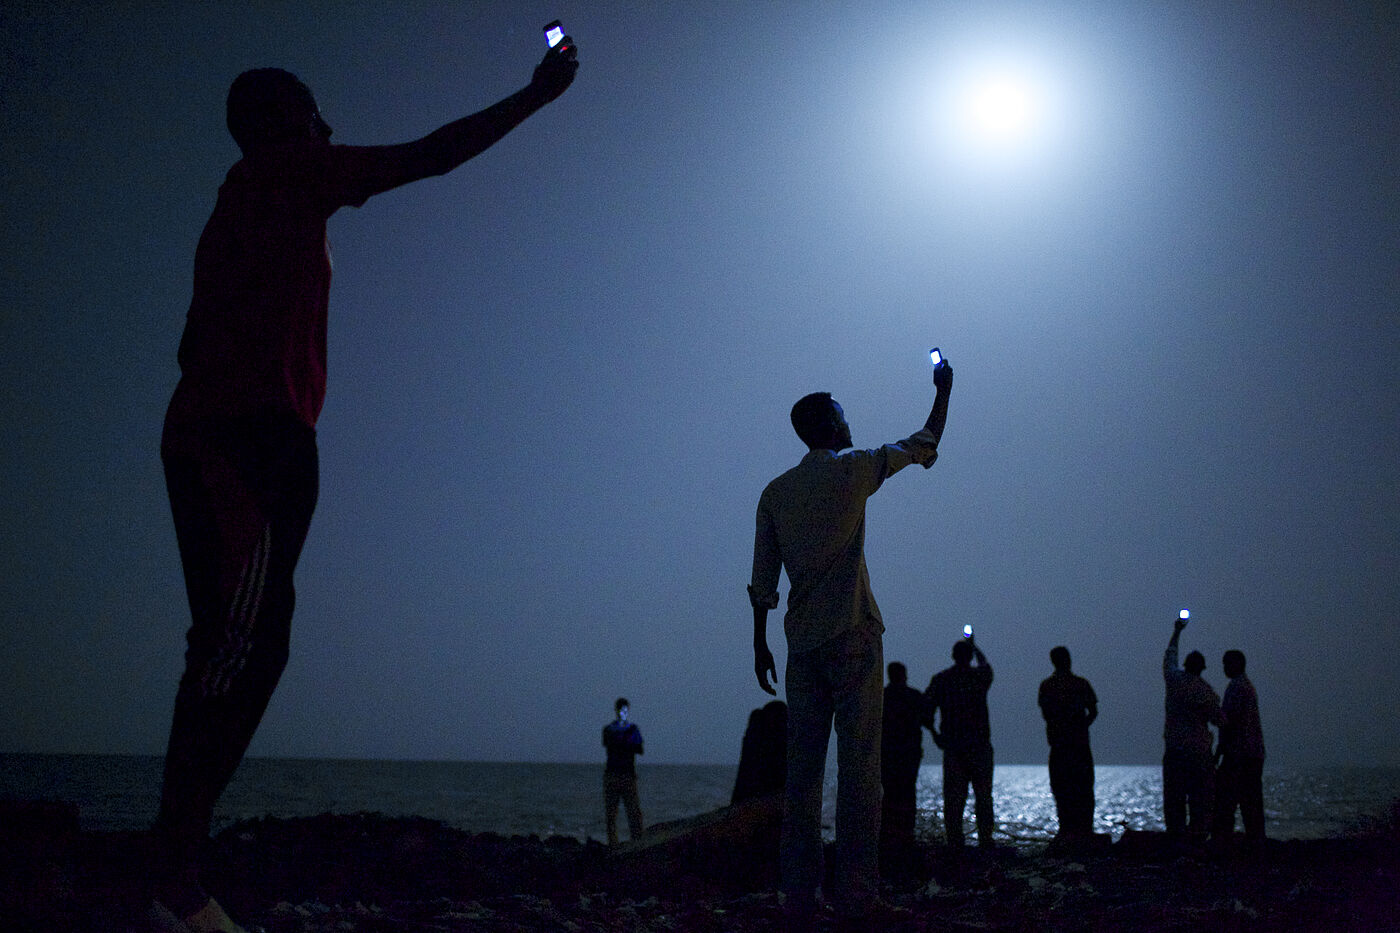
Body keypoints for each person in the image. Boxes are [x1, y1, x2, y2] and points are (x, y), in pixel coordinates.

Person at [150, 37, 578, 933]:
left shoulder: (240, 207)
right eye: (312, 104)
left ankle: (176, 868)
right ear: (283, 121)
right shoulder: (285, 174)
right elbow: (426, 156)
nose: (326, 118)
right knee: (241, 647)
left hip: (226, 430)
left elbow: (190, 341)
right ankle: (172, 879)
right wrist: (534, 97)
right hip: (250, 437)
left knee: (235, 645)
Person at [748, 361, 953, 928]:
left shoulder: (776, 492)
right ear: (830, 428)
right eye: (842, 417)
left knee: (802, 776)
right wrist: (944, 392)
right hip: (854, 633)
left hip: (800, 645)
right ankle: (857, 892)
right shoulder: (855, 470)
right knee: (861, 767)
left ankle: (799, 896)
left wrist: (760, 646)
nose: (849, 423)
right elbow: (924, 440)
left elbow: (763, 584)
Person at [926, 634, 995, 848]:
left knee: (954, 799)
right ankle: (985, 840)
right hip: (978, 747)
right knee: (983, 797)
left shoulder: (943, 680)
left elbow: (925, 710)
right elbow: (986, 666)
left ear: (953, 656)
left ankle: (956, 842)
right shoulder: (977, 677)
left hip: (955, 748)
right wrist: (975, 647)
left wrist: (935, 735)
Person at [1161, 614, 1222, 839]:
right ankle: (1196, 838)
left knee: (1174, 800)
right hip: (1199, 752)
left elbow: (1170, 656)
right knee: (1199, 800)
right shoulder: (1207, 691)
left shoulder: (1174, 681)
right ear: (1202, 668)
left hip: (1175, 749)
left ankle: (1176, 837)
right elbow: (1219, 720)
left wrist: (1177, 632)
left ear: (1186, 666)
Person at [1037, 646, 1098, 839]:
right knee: (1083, 790)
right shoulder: (1080, 684)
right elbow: (1093, 711)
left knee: (1063, 790)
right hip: (1076, 746)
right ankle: (1083, 832)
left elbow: (1046, 714)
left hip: (1061, 746)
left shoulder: (1047, 686)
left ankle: (1068, 831)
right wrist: (1081, 727)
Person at [1214, 649, 1266, 845]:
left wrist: (1220, 751)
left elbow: (1230, 723)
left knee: (1227, 802)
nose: (1224, 668)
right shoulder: (1246, 687)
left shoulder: (1237, 688)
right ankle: (1256, 840)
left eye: (1227, 664)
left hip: (1239, 755)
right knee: (1251, 802)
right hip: (1250, 753)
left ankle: (1225, 842)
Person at [879, 661, 928, 873]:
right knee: (907, 794)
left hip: (890, 754)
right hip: (906, 753)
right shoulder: (913, 696)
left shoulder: (881, 697)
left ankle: (890, 836)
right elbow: (926, 719)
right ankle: (905, 836)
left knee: (889, 795)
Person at [602, 697, 645, 846]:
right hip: (613, 775)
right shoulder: (609, 730)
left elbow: (639, 749)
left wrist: (626, 741)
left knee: (633, 812)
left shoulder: (633, 729)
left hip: (627, 775)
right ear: (616, 711)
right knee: (611, 814)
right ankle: (613, 844)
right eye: (621, 710)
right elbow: (609, 743)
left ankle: (637, 841)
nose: (623, 713)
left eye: (625, 710)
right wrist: (627, 741)